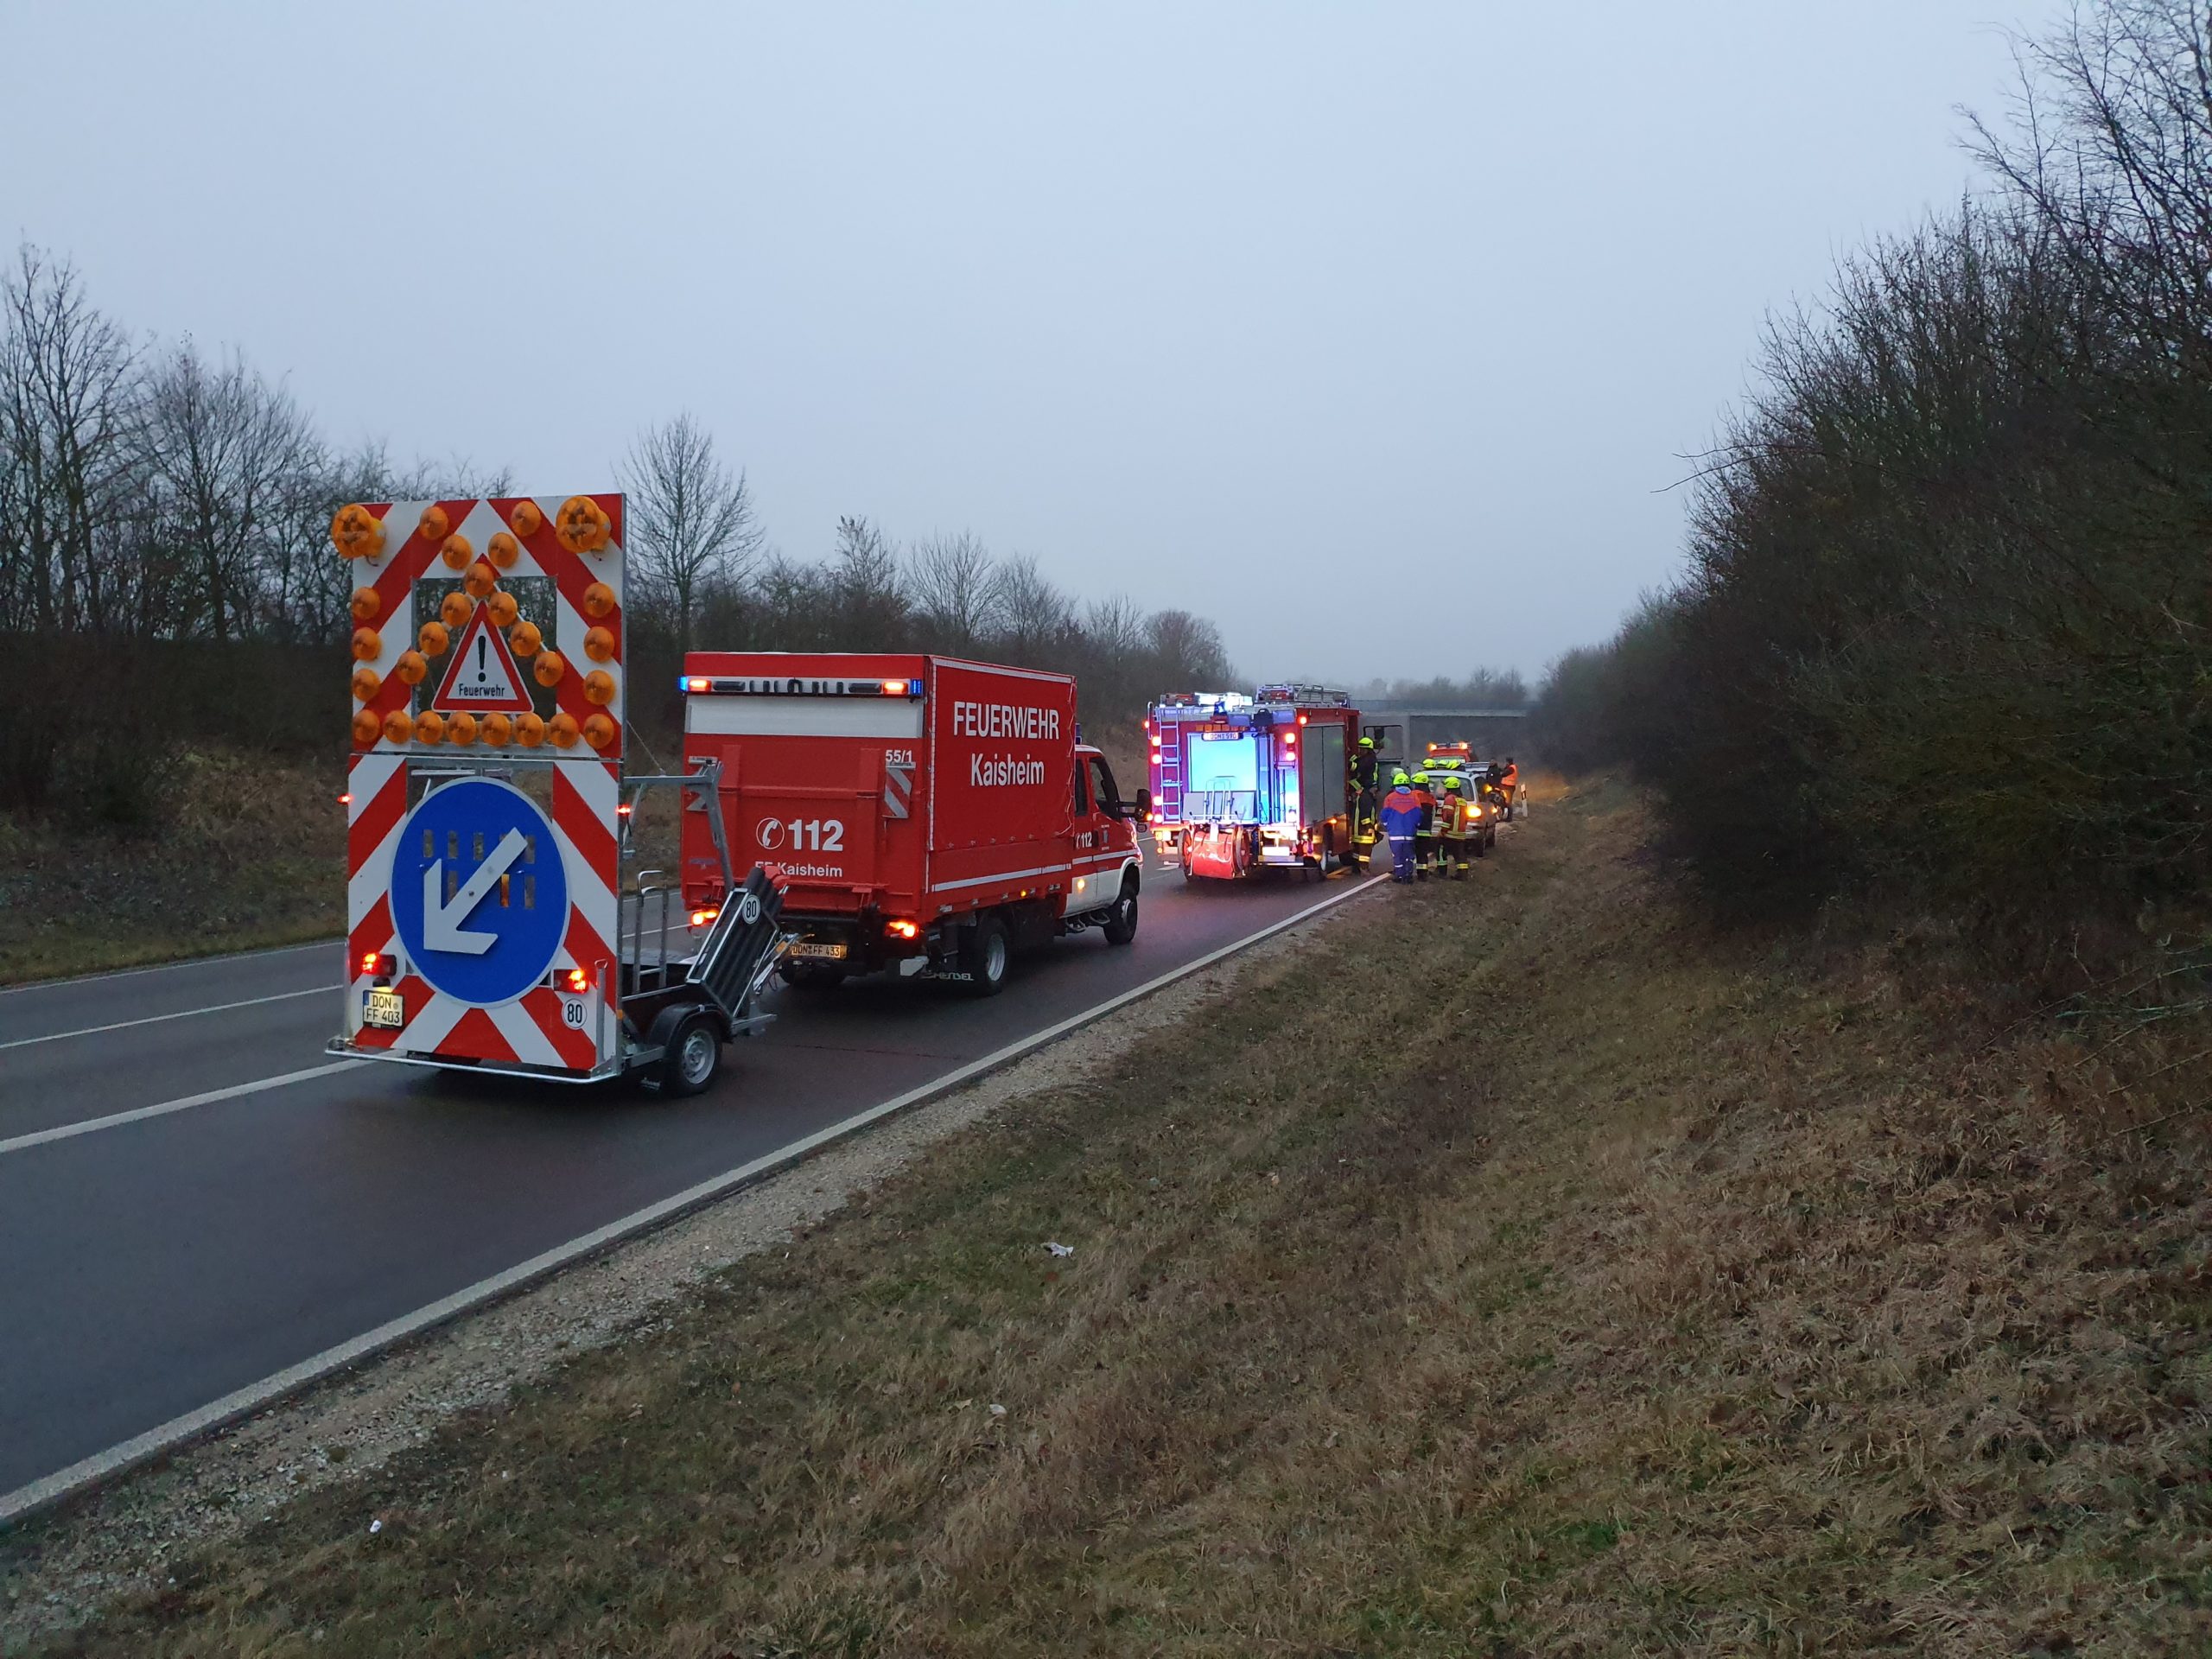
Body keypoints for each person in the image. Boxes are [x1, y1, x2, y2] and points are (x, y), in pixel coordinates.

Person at [1379, 770, 1422, 883]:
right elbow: (1418, 815)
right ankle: (1408, 875)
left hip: (1395, 833)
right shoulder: (1414, 797)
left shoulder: (1390, 797)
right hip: (1410, 833)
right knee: (1409, 856)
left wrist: (1387, 826)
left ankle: (1399, 875)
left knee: (1397, 856)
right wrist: (1416, 825)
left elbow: (1384, 815)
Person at [1438, 774, 1472, 878]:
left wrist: (1443, 831)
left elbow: (1448, 816)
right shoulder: (1462, 800)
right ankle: (1462, 874)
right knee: (1459, 854)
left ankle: (1441, 872)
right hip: (1460, 833)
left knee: (1440, 849)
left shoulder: (1449, 799)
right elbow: (1466, 817)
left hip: (1450, 833)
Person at [1410, 769, 1438, 880]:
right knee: (1422, 854)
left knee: (1409, 852)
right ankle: (1422, 875)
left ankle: (1406, 873)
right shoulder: (1431, 797)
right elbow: (1434, 812)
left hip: (1414, 829)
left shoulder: (1413, 795)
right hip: (1426, 830)